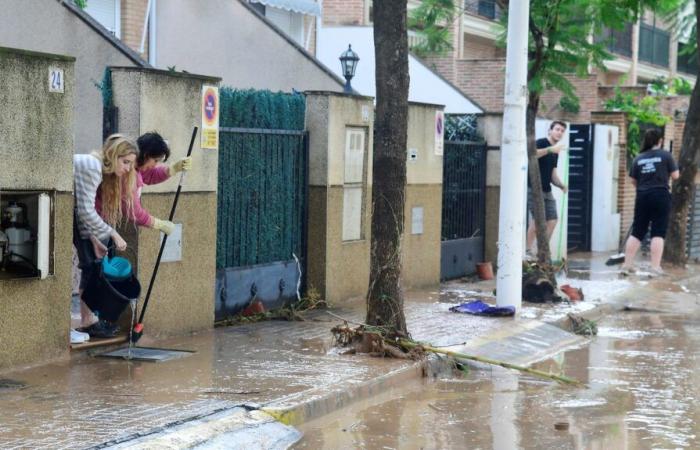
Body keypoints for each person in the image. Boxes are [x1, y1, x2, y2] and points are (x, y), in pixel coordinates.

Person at [72, 134, 138, 342]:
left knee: (91, 265)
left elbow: (80, 210)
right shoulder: (92, 167)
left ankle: (90, 321)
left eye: (131, 164)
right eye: (125, 161)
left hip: (77, 221)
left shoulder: (97, 168)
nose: (128, 169)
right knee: (91, 266)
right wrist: (113, 233)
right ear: (113, 155)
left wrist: (93, 239)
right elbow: (84, 211)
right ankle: (88, 322)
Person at [97, 131, 191, 236]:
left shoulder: (135, 167)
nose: (155, 165)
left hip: (101, 221)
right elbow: (134, 211)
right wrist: (159, 224)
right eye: (155, 160)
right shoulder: (126, 173)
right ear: (146, 155)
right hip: (96, 222)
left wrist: (173, 169)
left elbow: (150, 175)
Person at [621, 129, 679, 276]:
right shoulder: (666, 155)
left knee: (637, 232)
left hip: (642, 196)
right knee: (658, 232)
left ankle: (627, 265)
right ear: (659, 140)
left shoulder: (638, 158)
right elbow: (676, 175)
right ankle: (655, 268)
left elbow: (633, 181)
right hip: (660, 195)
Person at [526, 121, 569, 256]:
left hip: (547, 189)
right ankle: (527, 250)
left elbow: (553, 175)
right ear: (550, 131)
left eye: (562, 131)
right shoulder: (541, 142)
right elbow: (532, 154)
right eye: (557, 129)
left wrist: (561, 185)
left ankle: (542, 250)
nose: (560, 132)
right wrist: (550, 149)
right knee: (538, 220)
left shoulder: (556, 152)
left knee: (552, 220)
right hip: (534, 188)